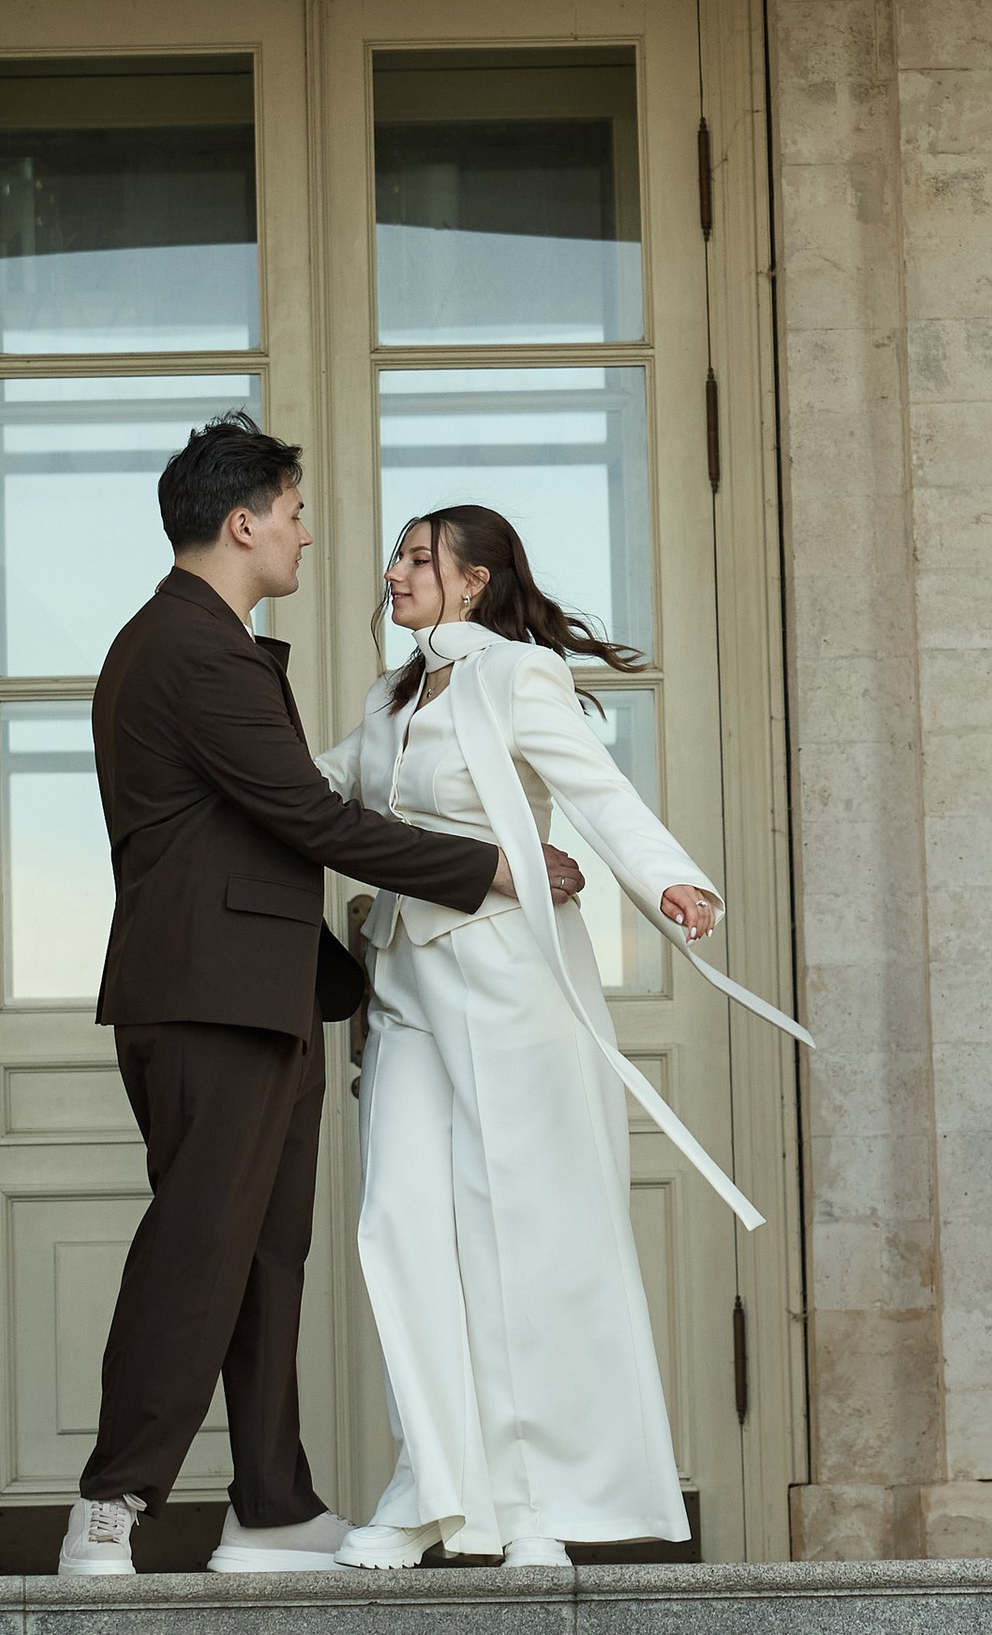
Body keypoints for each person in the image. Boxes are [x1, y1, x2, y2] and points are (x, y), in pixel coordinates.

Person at [62, 417, 583, 1583]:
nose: (307, 535)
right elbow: (309, 815)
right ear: (242, 523)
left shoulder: (198, 642)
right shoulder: (192, 650)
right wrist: (488, 867)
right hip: (210, 1000)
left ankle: (272, 1503)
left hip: (257, 991)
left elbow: (281, 815)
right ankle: (110, 1507)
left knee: (264, 1256)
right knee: (199, 1251)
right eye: (294, 514)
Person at [321, 503, 798, 1576]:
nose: (393, 571)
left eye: (416, 557)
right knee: (398, 1226)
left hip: (506, 980)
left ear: (474, 581)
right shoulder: (389, 695)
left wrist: (667, 875)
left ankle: (535, 1505)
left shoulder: (513, 676)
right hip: (402, 987)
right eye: (395, 554)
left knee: (521, 1236)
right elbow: (327, 784)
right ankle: (432, 1489)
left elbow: (594, 788)